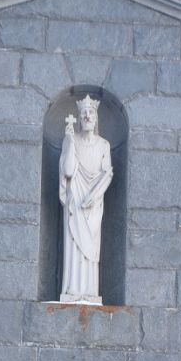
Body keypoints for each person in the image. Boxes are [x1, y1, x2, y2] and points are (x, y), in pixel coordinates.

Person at [57, 93, 112, 304]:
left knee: (91, 248)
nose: (87, 116)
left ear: (96, 118)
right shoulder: (71, 141)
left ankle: (89, 291)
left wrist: (94, 195)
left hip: (94, 204)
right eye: (84, 113)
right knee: (73, 244)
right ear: (78, 119)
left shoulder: (104, 145)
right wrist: (69, 141)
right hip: (75, 203)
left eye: (91, 112)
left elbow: (107, 174)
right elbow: (69, 172)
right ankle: (72, 290)